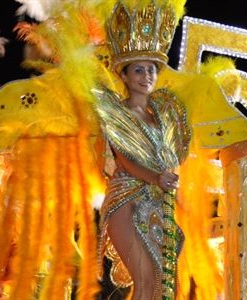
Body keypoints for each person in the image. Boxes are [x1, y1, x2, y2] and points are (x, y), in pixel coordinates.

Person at [93, 1, 190, 299]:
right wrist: (157, 177)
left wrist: (165, 181)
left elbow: (170, 159)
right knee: (145, 282)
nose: (146, 75)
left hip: (156, 202)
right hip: (127, 200)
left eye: (151, 69)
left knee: (159, 284)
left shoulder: (163, 115)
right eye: (138, 70)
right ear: (123, 75)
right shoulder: (116, 112)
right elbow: (126, 159)